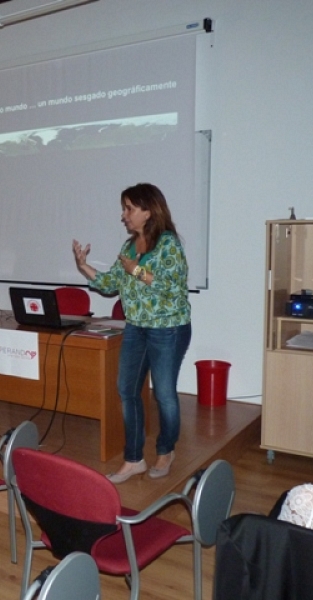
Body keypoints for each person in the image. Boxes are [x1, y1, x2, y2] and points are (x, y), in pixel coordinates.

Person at [72, 182, 191, 483]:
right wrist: (84, 266)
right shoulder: (128, 247)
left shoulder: (168, 244)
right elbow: (111, 283)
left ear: (148, 211)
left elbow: (170, 286)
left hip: (169, 329)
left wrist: (135, 270)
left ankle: (165, 451)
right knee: (127, 390)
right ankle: (134, 459)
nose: (123, 215)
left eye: (129, 208)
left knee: (164, 394)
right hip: (136, 327)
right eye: (124, 208)